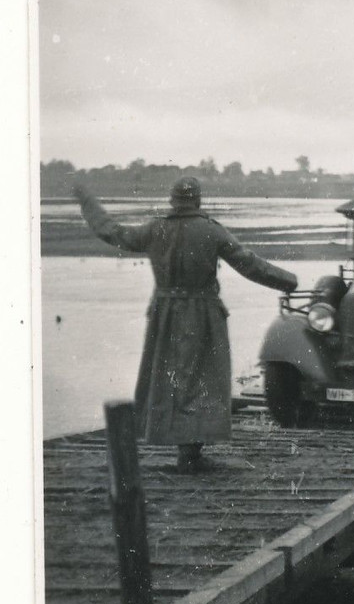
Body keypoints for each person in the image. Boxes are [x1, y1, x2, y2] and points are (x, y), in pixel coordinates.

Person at [73, 177, 299, 473]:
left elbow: (114, 233)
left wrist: (87, 203)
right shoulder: (211, 230)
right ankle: (191, 453)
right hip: (202, 314)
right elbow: (249, 264)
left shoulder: (156, 229)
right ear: (198, 200)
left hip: (164, 315)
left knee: (168, 380)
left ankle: (181, 450)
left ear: (172, 200)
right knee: (204, 379)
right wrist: (288, 281)